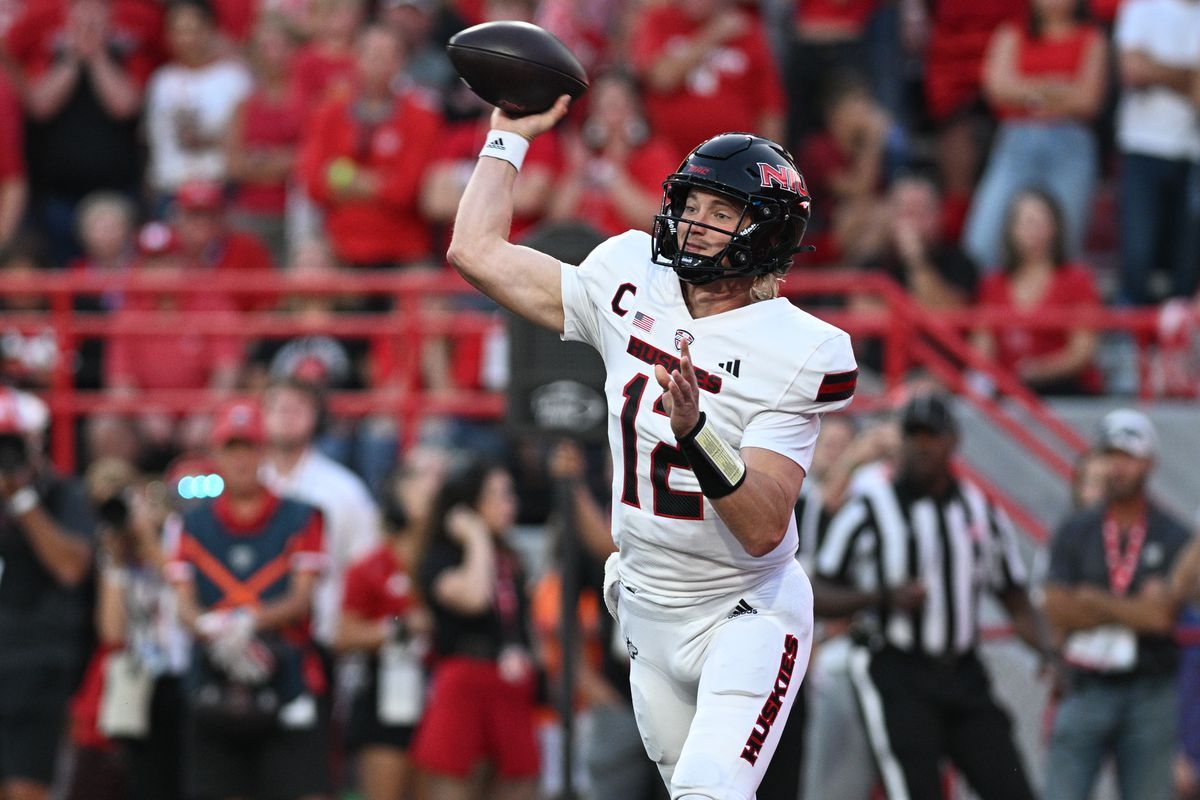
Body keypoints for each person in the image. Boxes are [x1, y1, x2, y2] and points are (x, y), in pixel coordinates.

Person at [446, 89, 857, 796]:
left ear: (768, 232)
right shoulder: (632, 278)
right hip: (645, 608)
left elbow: (763, 527)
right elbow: (476, 252)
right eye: (690, 205)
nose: (694, 224)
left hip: (743, 611)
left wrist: (698, 434)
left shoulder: (797, 347)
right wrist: (507, 138)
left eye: (720, 213)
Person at [811, 393, 1050, 800]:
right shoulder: (869, 508)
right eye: (913, 435)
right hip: (896, 668)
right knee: (915, 790)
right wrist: (880, 597)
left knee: (1011, 787)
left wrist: (1052, 651)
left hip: (963, 670)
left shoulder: (981, 511)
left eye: (932, 435)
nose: (922, 445)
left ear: (953, 440)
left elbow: (1014, 597)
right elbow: (817, 590)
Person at [164, 398, 332, 800]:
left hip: (287, 677)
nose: (241, 460)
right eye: (232, 448)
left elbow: (302, 597)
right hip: (217, 680)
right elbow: (182, 600)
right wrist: (209, 626)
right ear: (217, 453)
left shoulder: (302, 516)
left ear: (264, 452)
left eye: (250, 447)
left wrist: (248, 623)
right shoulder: (191, 524)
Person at [1042, 409, 1193, 800]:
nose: (1117, 467)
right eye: (1111, 456)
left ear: (1149, 463)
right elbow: (1056, 608)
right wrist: (1132, 609)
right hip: (1086, 684)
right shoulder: (1077, 530)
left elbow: (1161, 616)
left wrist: (1093, 602)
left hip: (1150, 689)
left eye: (1127, 457)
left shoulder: (1171, 532)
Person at [411, 460, 541, 800]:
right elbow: (474, 598)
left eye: (509, 495)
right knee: (453, 784)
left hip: (509, 682)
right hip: (463, 682)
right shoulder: (441, 556)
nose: (507, 504)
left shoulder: (512, 558)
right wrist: (476, 537)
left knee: (521, 782)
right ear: (468, 505)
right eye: (495, 496)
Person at [0, 387, 95, 800]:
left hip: (36, 663)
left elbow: (71, 567)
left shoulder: (63, 494)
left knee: (26, 789)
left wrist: (20, 499)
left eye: (12, 445)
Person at [962, 0, 1107, 269]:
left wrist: (1026, 92)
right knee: (982, 242)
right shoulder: (1011, 32)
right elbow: (997, 88)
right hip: (1016, 141)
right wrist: (1056, 89)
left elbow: (1087, 100)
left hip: (1071, 146)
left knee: (1064, 244)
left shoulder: (1092, 37)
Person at [259, 376, 382, 654]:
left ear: (317, 417)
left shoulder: (345, 489)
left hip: (324, 632)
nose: (288, 416)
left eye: (298, 407)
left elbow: (366, 563)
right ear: (262, 415)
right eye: (279, 407)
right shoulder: (244, 484)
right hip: (251, 625)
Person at [334, 476, 429, 800]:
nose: (432, 488)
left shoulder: (441, 562)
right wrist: (399, 628)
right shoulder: (371, 566)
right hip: (386, 693)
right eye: (420, 480)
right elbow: (343, 634)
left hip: (435, 691)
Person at [1111, 0, 1200, 305]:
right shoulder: (1143, 8)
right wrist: (1189, 75)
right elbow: (1133, 70)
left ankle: (1179, 344)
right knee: (1136, 256)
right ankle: (1127, 341)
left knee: (1187, 265)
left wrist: (1157, 68)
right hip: (1142, 147)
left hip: (1193, 154)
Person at [973, 189, 1103, 395]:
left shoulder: (1077, 279)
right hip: (1009, 390)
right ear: (1011, 230)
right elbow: (982, 347)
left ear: (1055, 228)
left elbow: (1082, 352)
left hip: (1065, 389)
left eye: (1039, 222)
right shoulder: (993, 283)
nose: (1032, 231)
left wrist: (1037, 371)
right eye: (1025, 222)